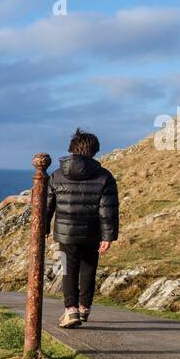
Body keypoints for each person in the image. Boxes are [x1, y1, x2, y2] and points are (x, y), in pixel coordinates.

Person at [45, 128, 119, 328]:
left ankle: (71, 311)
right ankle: (84, 308)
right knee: (88, 269)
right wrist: (108, 236)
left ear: (72, 149)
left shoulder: (56, 175)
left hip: (65, 235)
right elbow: (108, 209)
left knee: (68, 269)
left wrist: (43, 228)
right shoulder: (104, 176)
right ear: (94, 151)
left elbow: (48, 205)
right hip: (92, 233)